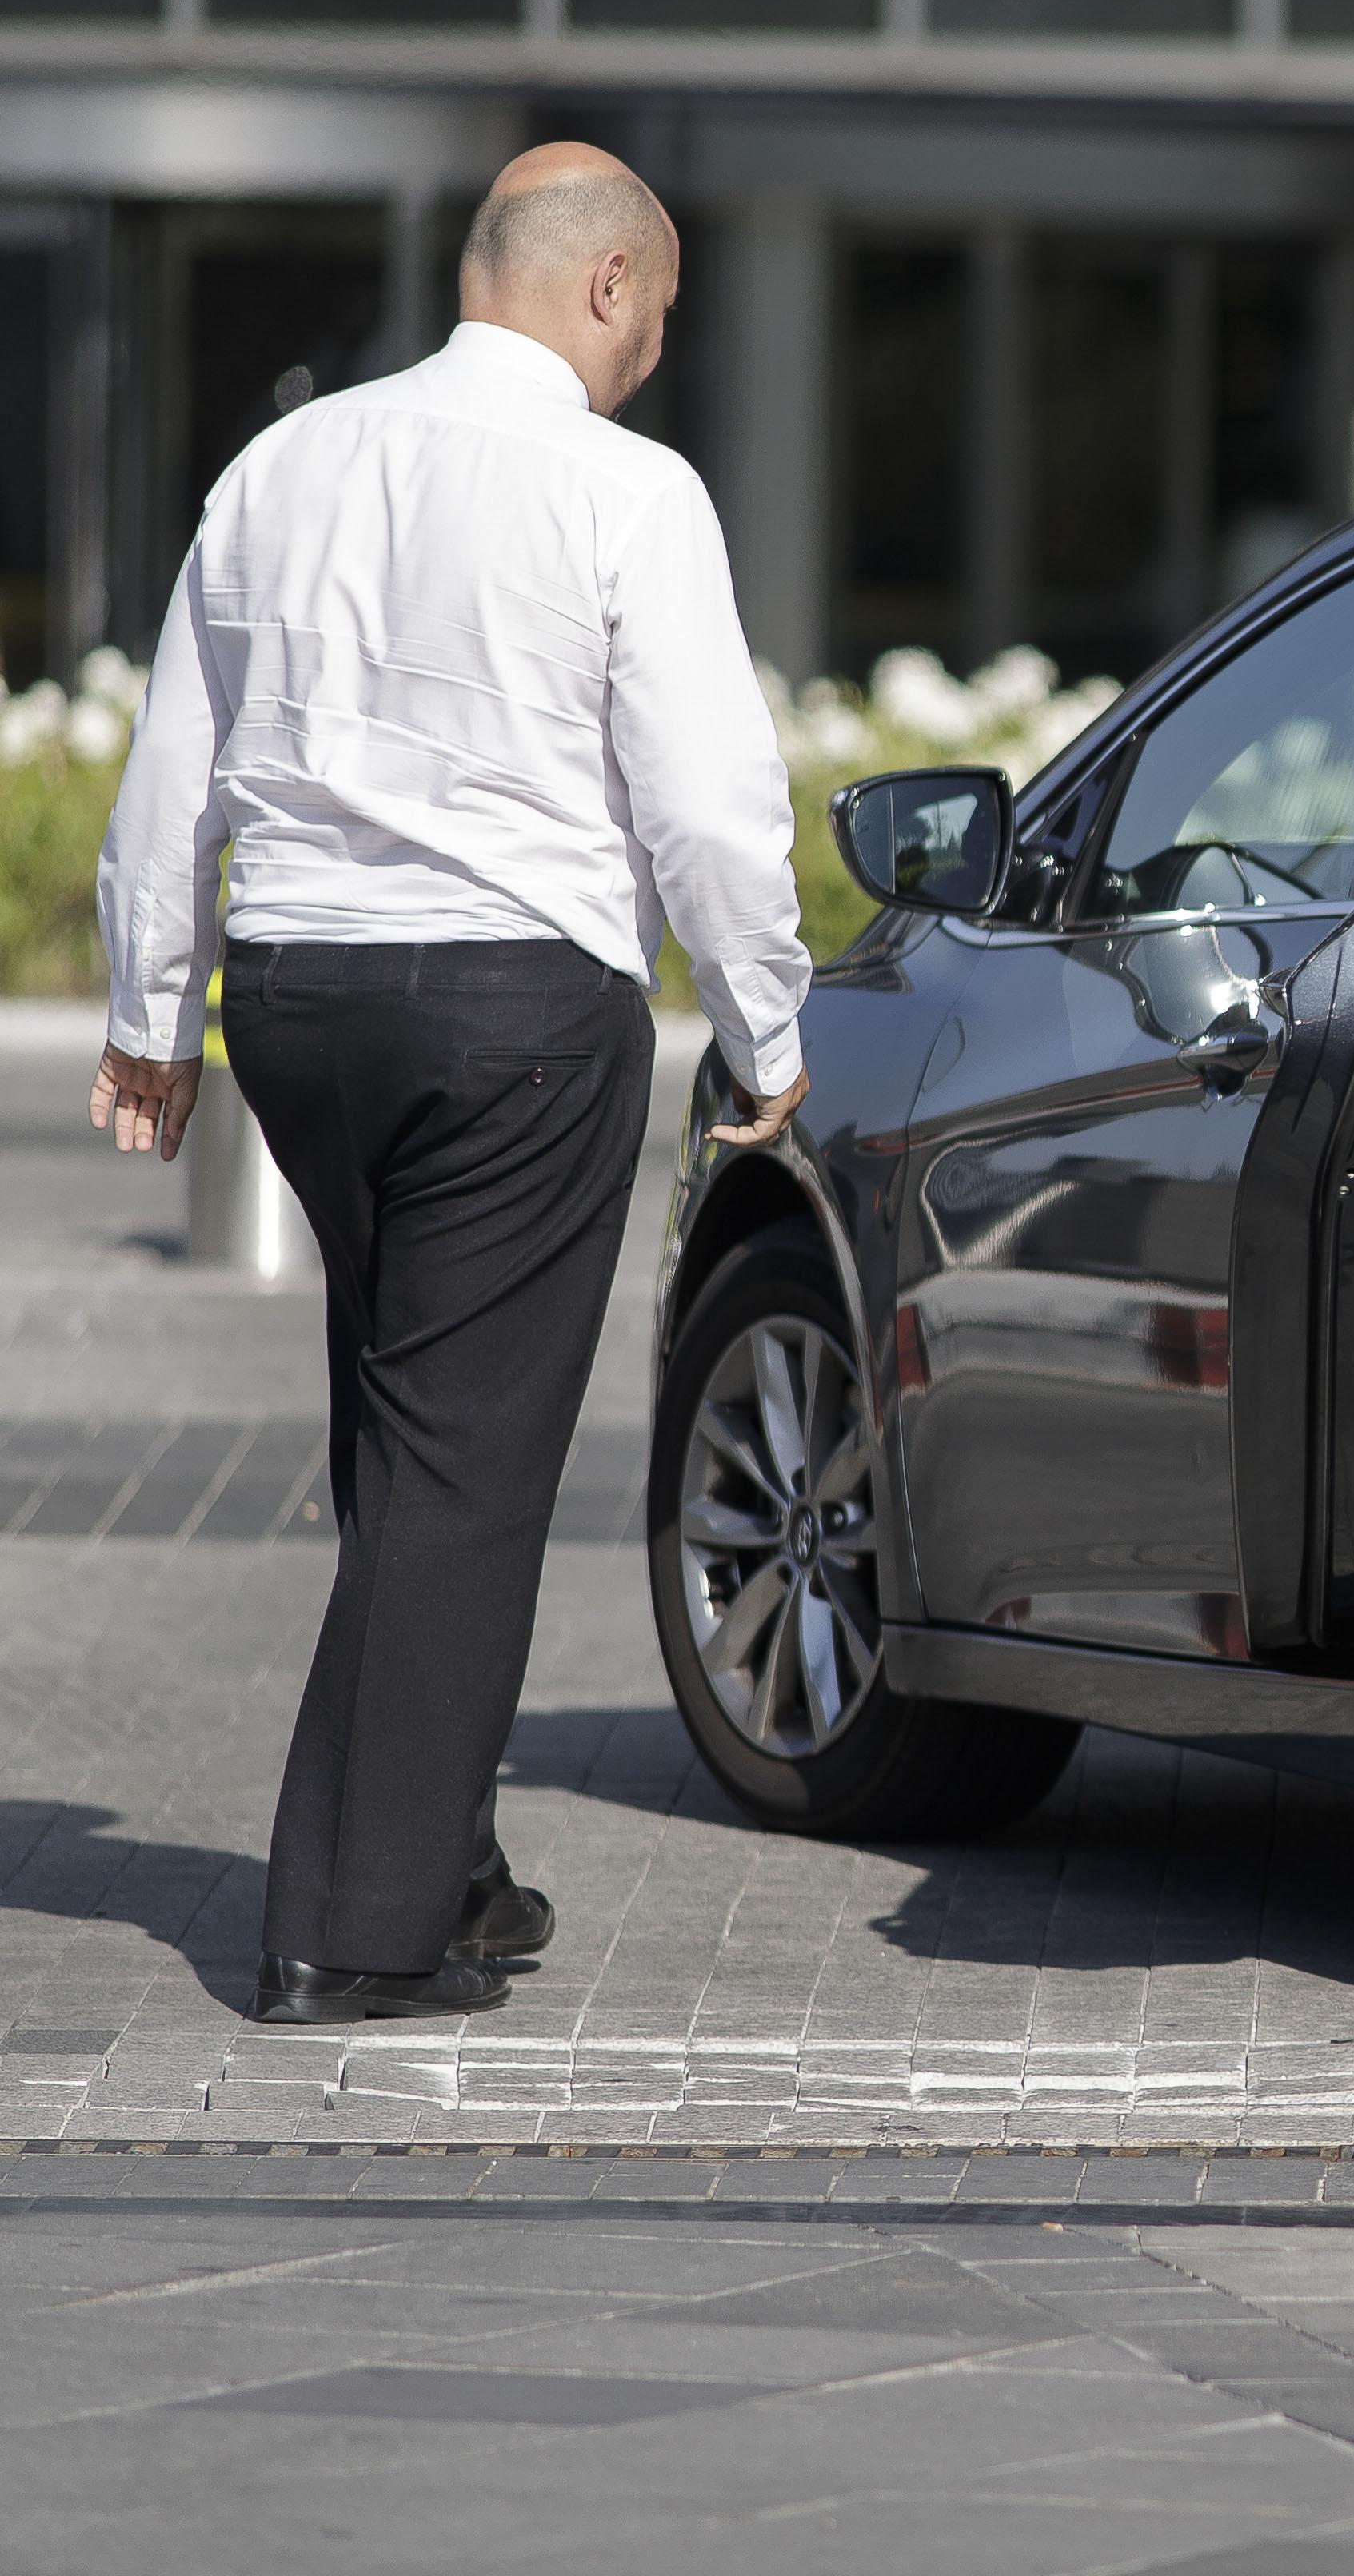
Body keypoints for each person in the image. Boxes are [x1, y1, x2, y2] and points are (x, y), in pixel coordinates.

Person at [89, 143, 815, 2025]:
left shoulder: (286, 465)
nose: (657, 344)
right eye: (655, 307)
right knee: (464, 1464)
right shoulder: (625, 488)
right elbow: (709, 797)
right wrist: (767, 1025)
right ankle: (358, 1927)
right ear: (600, 287)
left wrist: (153, 1015)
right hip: (512, 1004)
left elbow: (182, 752)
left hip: (305, 1005)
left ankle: (450, 1853)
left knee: (410, 1428)